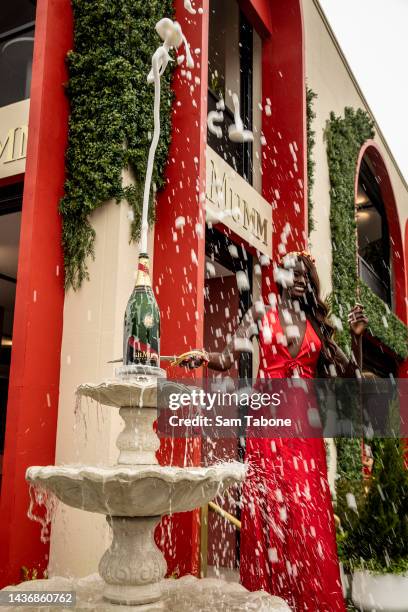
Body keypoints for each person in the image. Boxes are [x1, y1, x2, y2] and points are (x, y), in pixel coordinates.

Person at [179, 251, 368, 611]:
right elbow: (226, 357)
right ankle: (271, 598)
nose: (299, 279)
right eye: (293, 272)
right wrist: (203, 356)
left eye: (306, 275)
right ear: (279, 276)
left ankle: (309, 598)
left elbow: (348, 377)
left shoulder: (318, 325)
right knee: (269, 506)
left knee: (306, 509)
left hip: (305, 431)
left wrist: (356, 337)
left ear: (311, 283)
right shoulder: (259, 313)